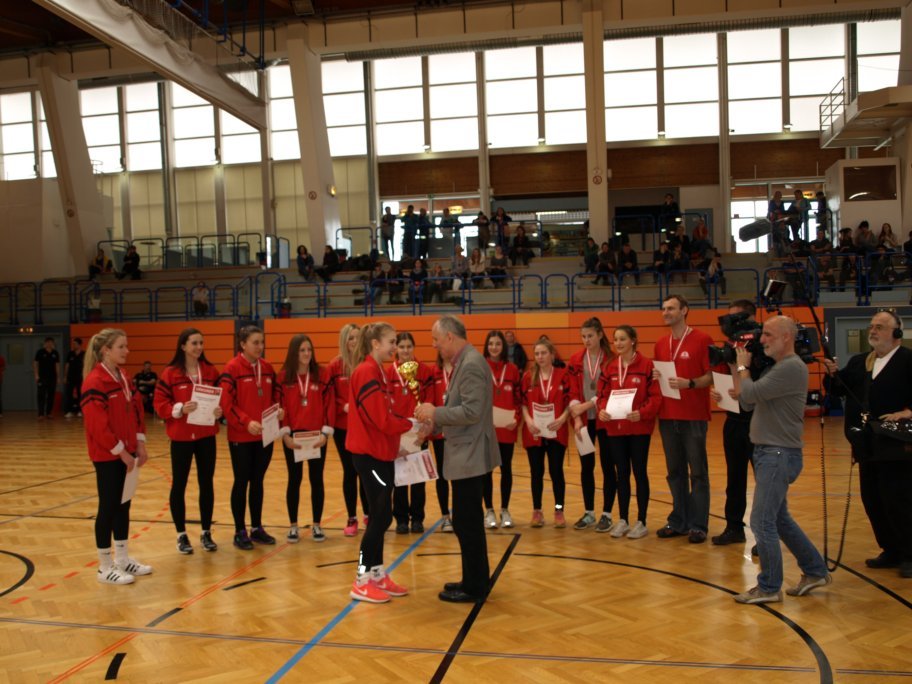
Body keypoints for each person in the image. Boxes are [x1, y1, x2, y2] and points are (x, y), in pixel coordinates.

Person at [731, 316, 832, 603]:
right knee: (779, 519)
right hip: (770, 452)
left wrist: (743, 367)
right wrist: (738, 371)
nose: (762, 340)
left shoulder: (791, 367)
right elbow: (747, 400)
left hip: (777, 454)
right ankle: (815, 570)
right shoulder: (779, 367)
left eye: (768, 335)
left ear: (787, 337)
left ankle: (769, 587)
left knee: (762, 521)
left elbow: (751, 392)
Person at [415, 315, 501, 603]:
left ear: (450, 337)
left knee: (468, 522)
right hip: (467, 453)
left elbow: (472, 412)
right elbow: (461, 408)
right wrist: (435, 423)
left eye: (436, 340)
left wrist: (434, 412)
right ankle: (473, 579)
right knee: (467, 521)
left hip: (470, 454)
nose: (435, 345)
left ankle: (475, 587)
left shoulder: (471, 364)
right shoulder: (466, 361)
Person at [823, 309, 912, 579]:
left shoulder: (908, 360)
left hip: (896, 443)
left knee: (898, 498)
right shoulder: (861, 361)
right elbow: (839, 390)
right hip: (865, 442)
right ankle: (890, 549)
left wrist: (908, 412)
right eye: (871, 326)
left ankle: (909, 553)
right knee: (872, 497)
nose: (873, 331)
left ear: (897, 333)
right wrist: (832, 375)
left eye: (880, 327)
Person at [346, 322, 414, 604]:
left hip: (382, 454)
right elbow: (382, 420)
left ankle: (376, 573)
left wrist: (396, 445)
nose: (395, 347)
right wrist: (411, 424)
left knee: (381, 516)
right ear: (375, 344)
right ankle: (361, 580)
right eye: (392, 342)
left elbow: (385, 418)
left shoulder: (380, 372)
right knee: (381, 517)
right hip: (369, 456)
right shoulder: (366, 372)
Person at [80, 328, 151, 584]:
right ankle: (104, 566)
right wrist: (120, 451)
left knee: (124, 505)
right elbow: (97, 425)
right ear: (106, 350)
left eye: (126, 346)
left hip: (129, 451)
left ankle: (122, 559)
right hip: (108, 456)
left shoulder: (124, 376)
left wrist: (139, 444)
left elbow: (137, 411)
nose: (127, 351)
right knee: (108, 507)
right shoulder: (94, 382)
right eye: (121, 346)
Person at [154, 328, 222, 555]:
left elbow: (221, 398)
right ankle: (181, 534)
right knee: (179, 484)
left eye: (201, 343)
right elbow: (159, 404)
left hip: (206, 436)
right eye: (194, 343)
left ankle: (206, 532)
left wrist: (220, 410)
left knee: (206, 483)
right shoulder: (170, 373)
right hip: (181, 437)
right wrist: (179, 409)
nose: (199, 347)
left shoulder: (211, 371)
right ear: (183, 346)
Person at [652, 294, 714, 543]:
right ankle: (678, 521)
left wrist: (690, 383)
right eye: (663, 308)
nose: (665, 312)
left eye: (671, 308)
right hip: (668, 416)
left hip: (693, 416)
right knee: (674, 472)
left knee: (697, 473)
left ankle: (698, 525)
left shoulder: (702, 339)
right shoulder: (661, 343)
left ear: (684, 310)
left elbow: (711, 376)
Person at [218, 325, 281, 551]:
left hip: (264, 437)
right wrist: (246, 422)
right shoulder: (232, 368)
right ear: (243, 344)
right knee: (241, 481)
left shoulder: (268, 368)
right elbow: (227, 403)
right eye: (255, 342)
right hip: (241, 437)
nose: (260, 346)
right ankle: (239, 530)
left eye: (262, 342)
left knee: (258, 481)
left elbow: (275, 395)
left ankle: (256, 528)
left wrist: (278, 409)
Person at [599, 325, 662, 539]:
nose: (618, 343)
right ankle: (623, 520)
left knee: (639, 472)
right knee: (622, 473)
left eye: (622, 339)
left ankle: (641, 521)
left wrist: (642, 413)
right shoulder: (609, 367)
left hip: (638, 428)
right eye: (615, 339)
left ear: (633, 340)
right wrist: (602, 410)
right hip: (615, 429)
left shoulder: (647, 365)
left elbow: (656, 397)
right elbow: (602, 395)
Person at [709, 300, 759, 546]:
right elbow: (721, 375)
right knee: (735, 478)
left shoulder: (761, 346)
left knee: (763, 481)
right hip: (733, 420)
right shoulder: (729, 347)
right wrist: (718, 391)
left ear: (751, 318)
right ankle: (734, 527)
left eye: (736, 318)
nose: (731, 324)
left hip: (758, 421)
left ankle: (764, 536)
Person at [278, 334, 334, 544]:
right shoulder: (283, 377)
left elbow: (329, 404)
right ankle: (293, 526)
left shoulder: (322, 374)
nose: (306, 353)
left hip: (317, 436)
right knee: (294, 480)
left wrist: (325, 433)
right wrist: (285, 434)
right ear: (294, 352)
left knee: (316, 480)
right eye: (302, 350)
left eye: (309, 350)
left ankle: (317, 524)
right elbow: (279, 406)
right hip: (293, 438)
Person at [519, 337, 579, 528]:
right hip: (534, 432)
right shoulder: (528, 377)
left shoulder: (563, 375)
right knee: (536, 473)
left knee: (556, 472)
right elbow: (522, 403)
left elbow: (571, 400)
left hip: (556, 431)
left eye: (544, 353)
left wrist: (562, 418)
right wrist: (528, 421)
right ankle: (537, 510)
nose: (540, 356)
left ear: (552, 355)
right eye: (537, 353)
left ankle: (559, 509)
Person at [567, 318, 617, 533]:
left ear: (600, 335)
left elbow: (610, 390)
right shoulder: (576, 359)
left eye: (590, 336)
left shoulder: (612, 359)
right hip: (583, 421)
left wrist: (587, 405)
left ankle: (607, 514)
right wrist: (577, 418)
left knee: (608, 466)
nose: (586, 340)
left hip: (605, 419)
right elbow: (572, 390)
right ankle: (589, 513)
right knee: (587, 466)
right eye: (583, 336)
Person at [388, 332, 434, 534]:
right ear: (396, 349)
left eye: (409, 346)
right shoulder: (389, 373)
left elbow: (430, 400)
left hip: (419, 432)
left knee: (418, 476)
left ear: (414, 348)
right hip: (397, 432)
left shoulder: (424, 371)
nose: (405, 351)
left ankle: (417, 518)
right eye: (401, 347)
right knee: (399, 477)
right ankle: (400, 519)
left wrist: (427, 426)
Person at [328, 323, 370, 536]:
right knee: (350, 470)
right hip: (343, 427)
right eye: (350, 338)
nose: (354, 341)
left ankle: (368, 514)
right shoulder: (335, 366)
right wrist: (342, 406)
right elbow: (329, 396)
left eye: (357, 337)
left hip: (365, 426)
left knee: (364, 470)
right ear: (344, 341)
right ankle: (351, 517)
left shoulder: (367, 363)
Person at [482, 330, 521, 528]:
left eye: (498, 344)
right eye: (491, 344)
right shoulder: (481, 367)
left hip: (507, 429)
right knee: (487, 471)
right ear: (486, 346)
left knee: (506, 469)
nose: (494, 347)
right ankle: (489, 510)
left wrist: (517, 419)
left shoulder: (512, 369)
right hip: (487, 430)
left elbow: (519, 399)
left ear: (503, 346)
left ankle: (505, 509)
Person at [429, 351, 455, 532]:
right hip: (440, 432)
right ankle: (445, 516)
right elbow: (430, 400)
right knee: (442, 474)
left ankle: (460, 515)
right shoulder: (434, 372)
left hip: (459, 431)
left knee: (459, 475)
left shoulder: (461, 369)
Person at [34, 337, 59, 419]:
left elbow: (57, 365)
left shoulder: (55, 353)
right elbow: (35, 364)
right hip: (42, 377)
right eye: (48, 342)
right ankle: (40, 414)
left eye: (51, 342)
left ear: (53, 343)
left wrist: (58, 377)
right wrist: (36, 375)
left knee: (51, 395)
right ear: (45, 343)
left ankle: (49, 413)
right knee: (41, 395)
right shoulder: (40, 352)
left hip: (52, 377)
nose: (49, 344)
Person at [63, 337, 85, 418]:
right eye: (73, 344)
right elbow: (67, 365)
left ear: (79, 345)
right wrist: (65, 376)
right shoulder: (70, 354)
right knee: (69, 394)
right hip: (70, 377)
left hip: (80, 377)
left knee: (80, 394)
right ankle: (69, 411)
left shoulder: (84, 354)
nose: (73, 345)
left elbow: (86, 365)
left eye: (75, 344)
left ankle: (80, 411)